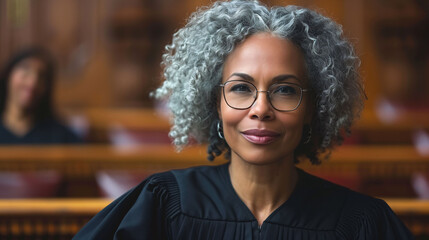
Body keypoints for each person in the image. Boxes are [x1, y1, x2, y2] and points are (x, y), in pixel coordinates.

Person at [74, 0, 413, 239]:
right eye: (240, 88)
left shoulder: (361, 223)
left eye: (285, 90)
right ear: (215, 102)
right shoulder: (163, 205)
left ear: (313, 108)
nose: (260, 109)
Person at [0, 48, 82, 144]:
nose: (32, 83)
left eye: (41, 76)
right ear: (8, 75)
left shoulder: (61, 136)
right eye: (26, 70)